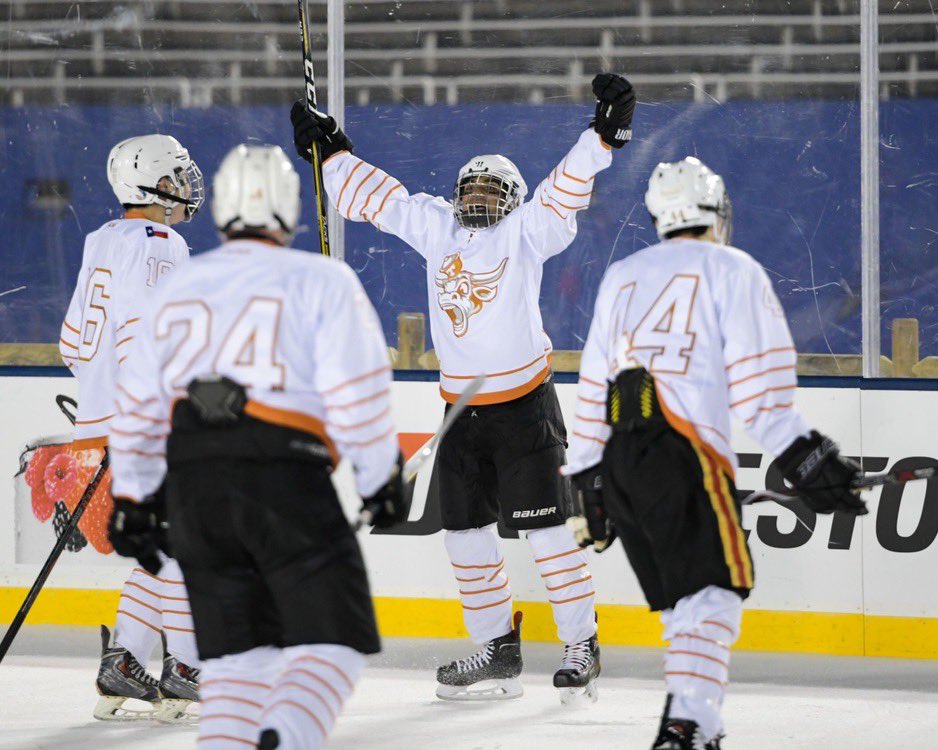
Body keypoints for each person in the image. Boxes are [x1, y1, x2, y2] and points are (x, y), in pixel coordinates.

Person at [290, 72, 636, 703]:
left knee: (550, 530)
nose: (477, 196)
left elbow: (563, 192)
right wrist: (332, 153)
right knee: (465, 536)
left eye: (491, 189)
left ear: (512, 198)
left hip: (525, 410)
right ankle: (495, 649)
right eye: (469, 186)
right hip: (458, 412)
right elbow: (382, 199)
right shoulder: (436, 227)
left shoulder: (527, 232)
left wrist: (602, 137)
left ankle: (581, 645)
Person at [106, 143, 406, 750]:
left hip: (193, 490)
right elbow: (359, 391)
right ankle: (286, 738)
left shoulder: (180, 284)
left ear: (219, 209)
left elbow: (138, 400)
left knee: (236, 667)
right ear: (289, 210)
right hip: (284, 478)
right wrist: (381, 478)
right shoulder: (322, 278)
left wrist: (133, 498)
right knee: (334, 643)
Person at [563, 156, 868, 748]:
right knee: (715, 592)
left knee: (685, 601)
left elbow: (594, 383)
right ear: (716, 212)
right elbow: (763, 396)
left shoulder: (624, 273)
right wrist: (809, 462)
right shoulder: (733, 269)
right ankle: (690, 727)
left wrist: (588, 484)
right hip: (688, 452)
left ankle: (692, 725)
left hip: (622, 459)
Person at [58, 133, 204, 721]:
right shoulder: (161, 240)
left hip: (99, 427)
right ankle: (190, 671)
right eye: (176, 177)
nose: (185, 188)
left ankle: (125, 662)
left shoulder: (103, 240)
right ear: (152, 186)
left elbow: (72, 343)